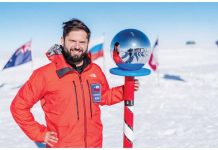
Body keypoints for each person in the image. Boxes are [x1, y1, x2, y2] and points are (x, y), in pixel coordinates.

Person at [10, 18, 139, 148]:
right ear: (62, 40)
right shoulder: (44, 74)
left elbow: (102, 97)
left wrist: (125, 90)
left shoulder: (95, 71)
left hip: (94, 144)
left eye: (82, 42)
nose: (77, 46)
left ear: (87, 43)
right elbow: (18, 107)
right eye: (72, 41)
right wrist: (40, 134)